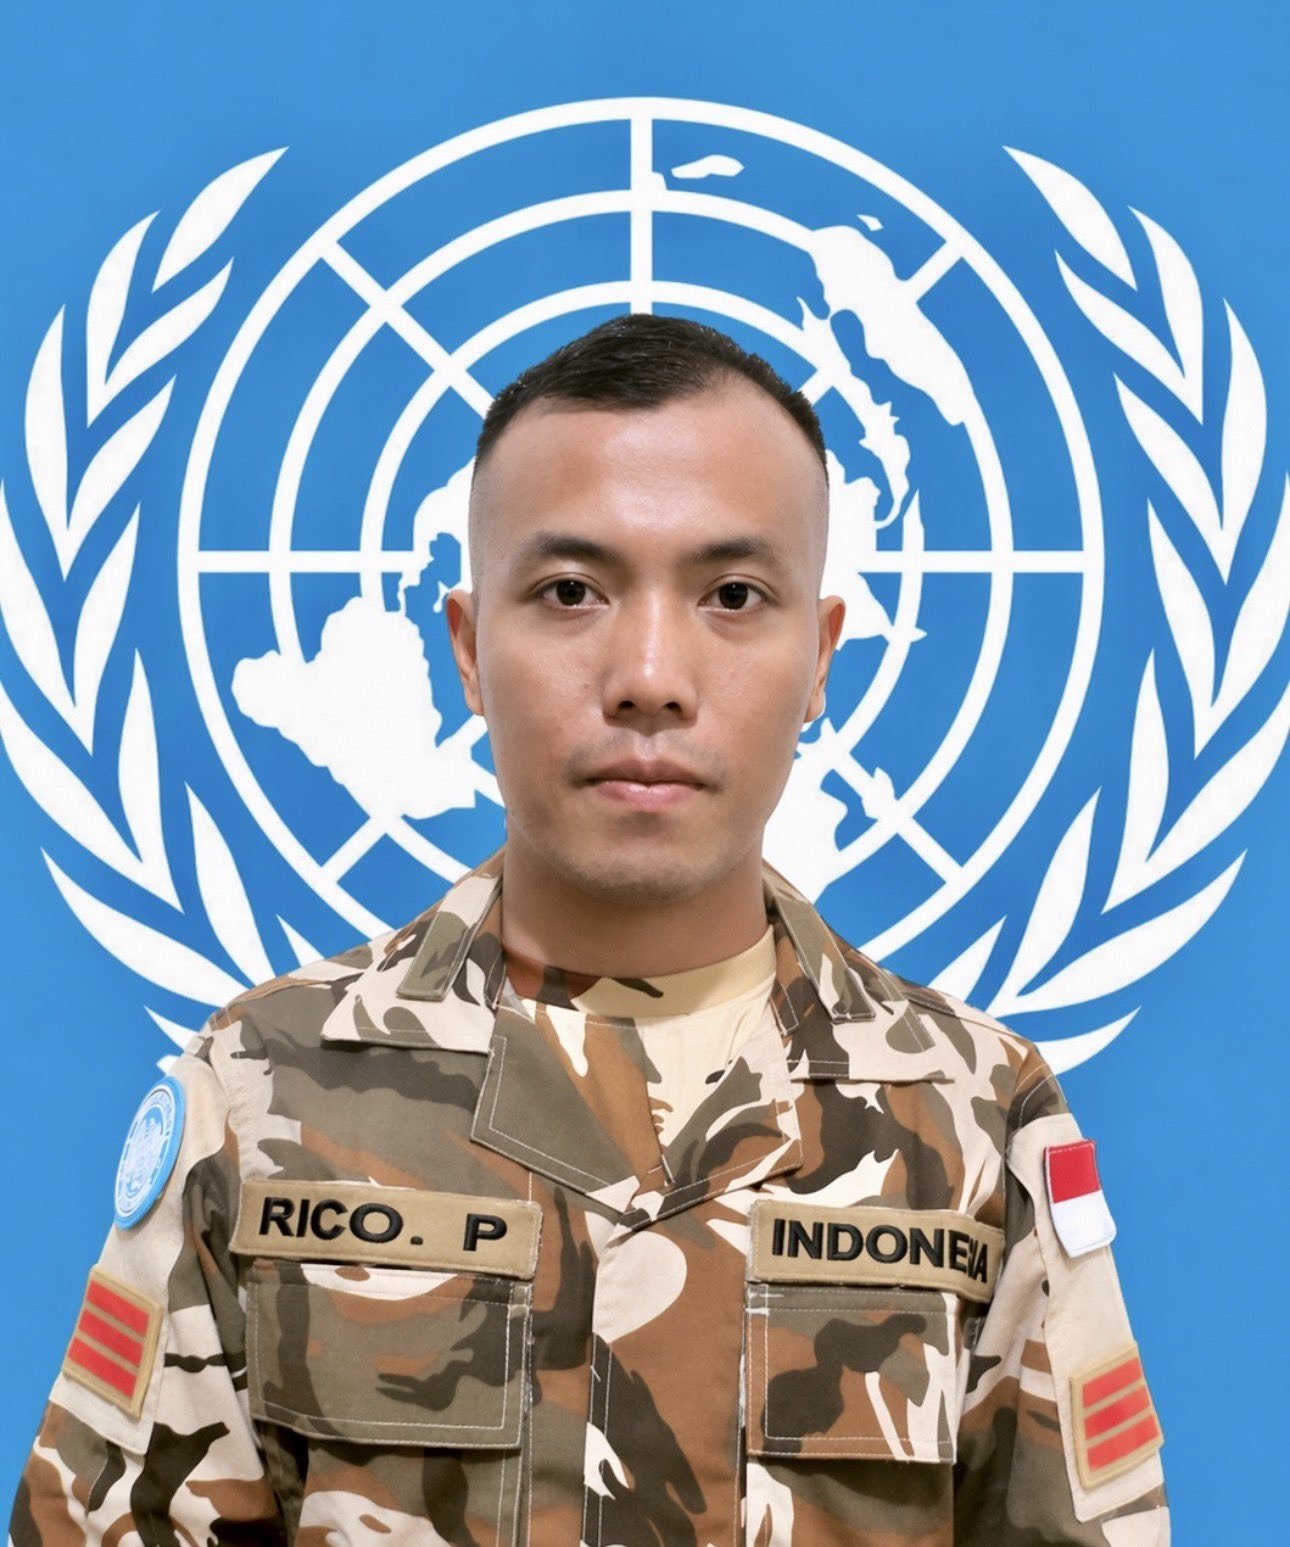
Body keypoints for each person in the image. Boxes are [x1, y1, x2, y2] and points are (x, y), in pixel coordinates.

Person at [9, 313, 1168, 1545]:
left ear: (820, 658)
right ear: (468, 648)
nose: (649, 675)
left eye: (733, 594)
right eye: (570, 591)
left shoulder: (976, 1116)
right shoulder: (261, 1089)